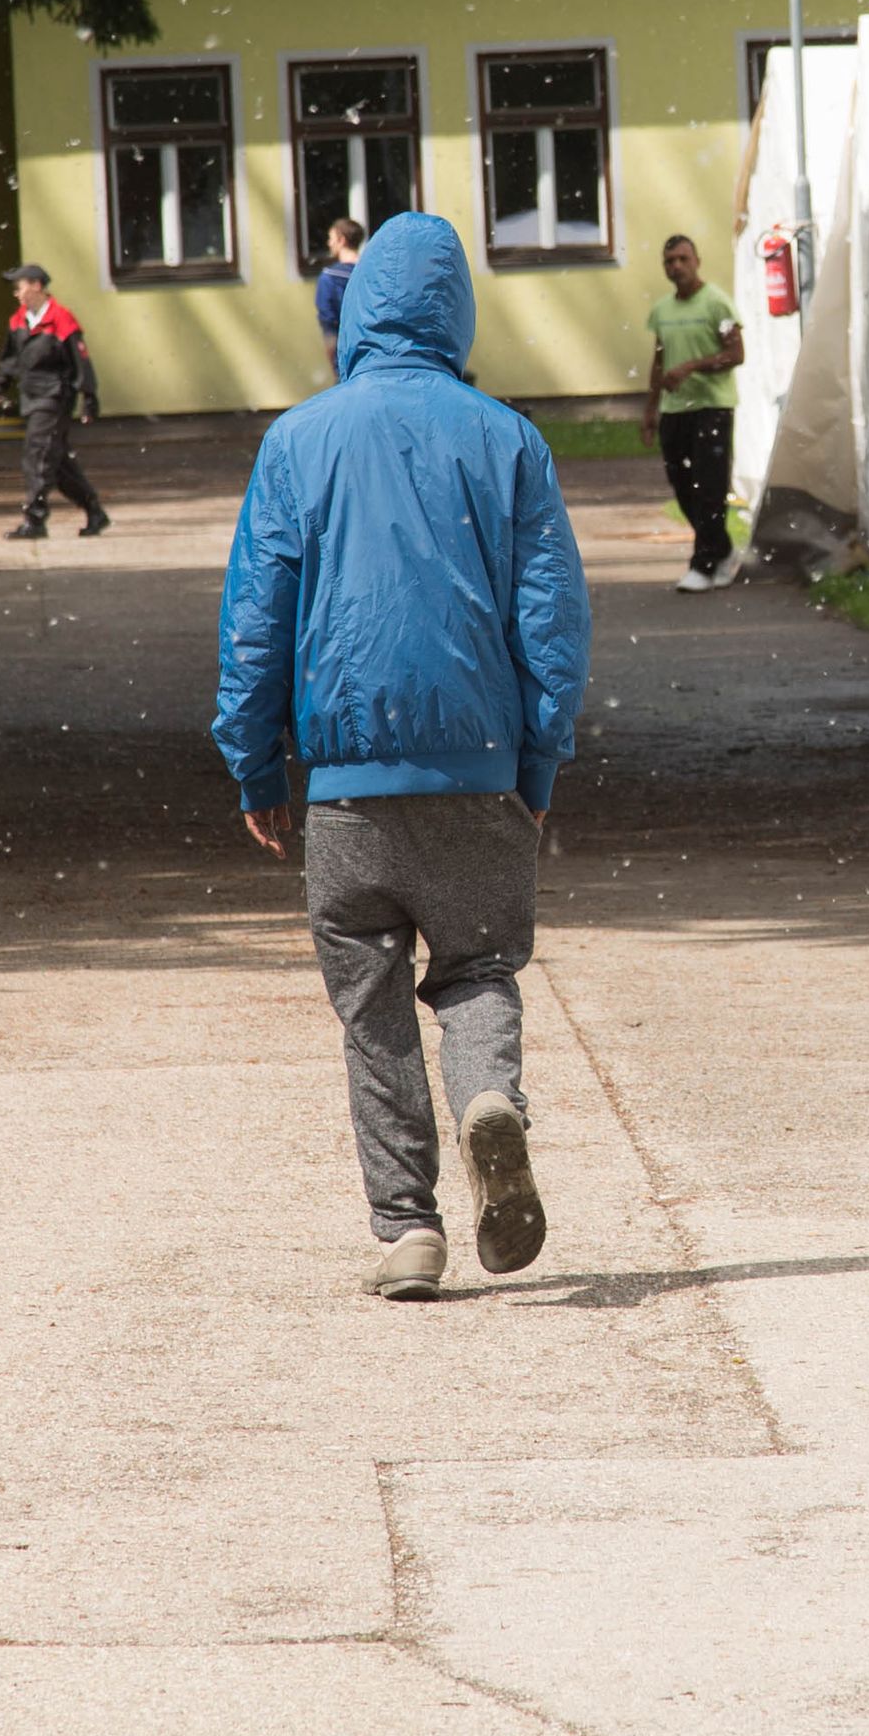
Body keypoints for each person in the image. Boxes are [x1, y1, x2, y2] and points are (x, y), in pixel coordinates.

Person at [214, 212, 591, 1300]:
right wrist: (536, 764)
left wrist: (255, 765)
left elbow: (256, 620)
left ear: (357, 307)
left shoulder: (298, 440)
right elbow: (551, 623)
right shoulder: (508, 437)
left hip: (343, 790)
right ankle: (489, 1099)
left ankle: (406, 1228)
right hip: (477, 768)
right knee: (478, 967)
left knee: (369, 1002)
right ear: (455, 309)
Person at [645, 234, 747, 591]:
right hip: (675, 411)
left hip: (711, 408)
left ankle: (703, 563)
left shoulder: (717, 304)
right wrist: (649, 412)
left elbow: (735, 354)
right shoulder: (662, 311)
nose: (676, 267)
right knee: (682, 485)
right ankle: (721, 548)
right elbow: (658, 363)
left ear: (697, 261)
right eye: (669, 261)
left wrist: (692, 366)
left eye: (682, 259)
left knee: (710, 486)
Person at [0, 262, 108, 539]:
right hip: (31, 396)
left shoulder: (61, 319)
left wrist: (88, 397)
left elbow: (81, 362)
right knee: (56, 461)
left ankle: (35, 519)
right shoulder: (19, 320)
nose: (16, 294)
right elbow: (10, 359)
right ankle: (94, 511)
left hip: (55, 397)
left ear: (36, 286)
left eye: (19, 288)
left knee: (38, 455)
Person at [311, 215, 367, 356]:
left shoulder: (329, 278)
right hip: (374, 353)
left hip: (346, 353)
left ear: (341, 240)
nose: (329, 243)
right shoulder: (371, 271)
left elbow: (328, 323)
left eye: (331, 238)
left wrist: (334, 361)